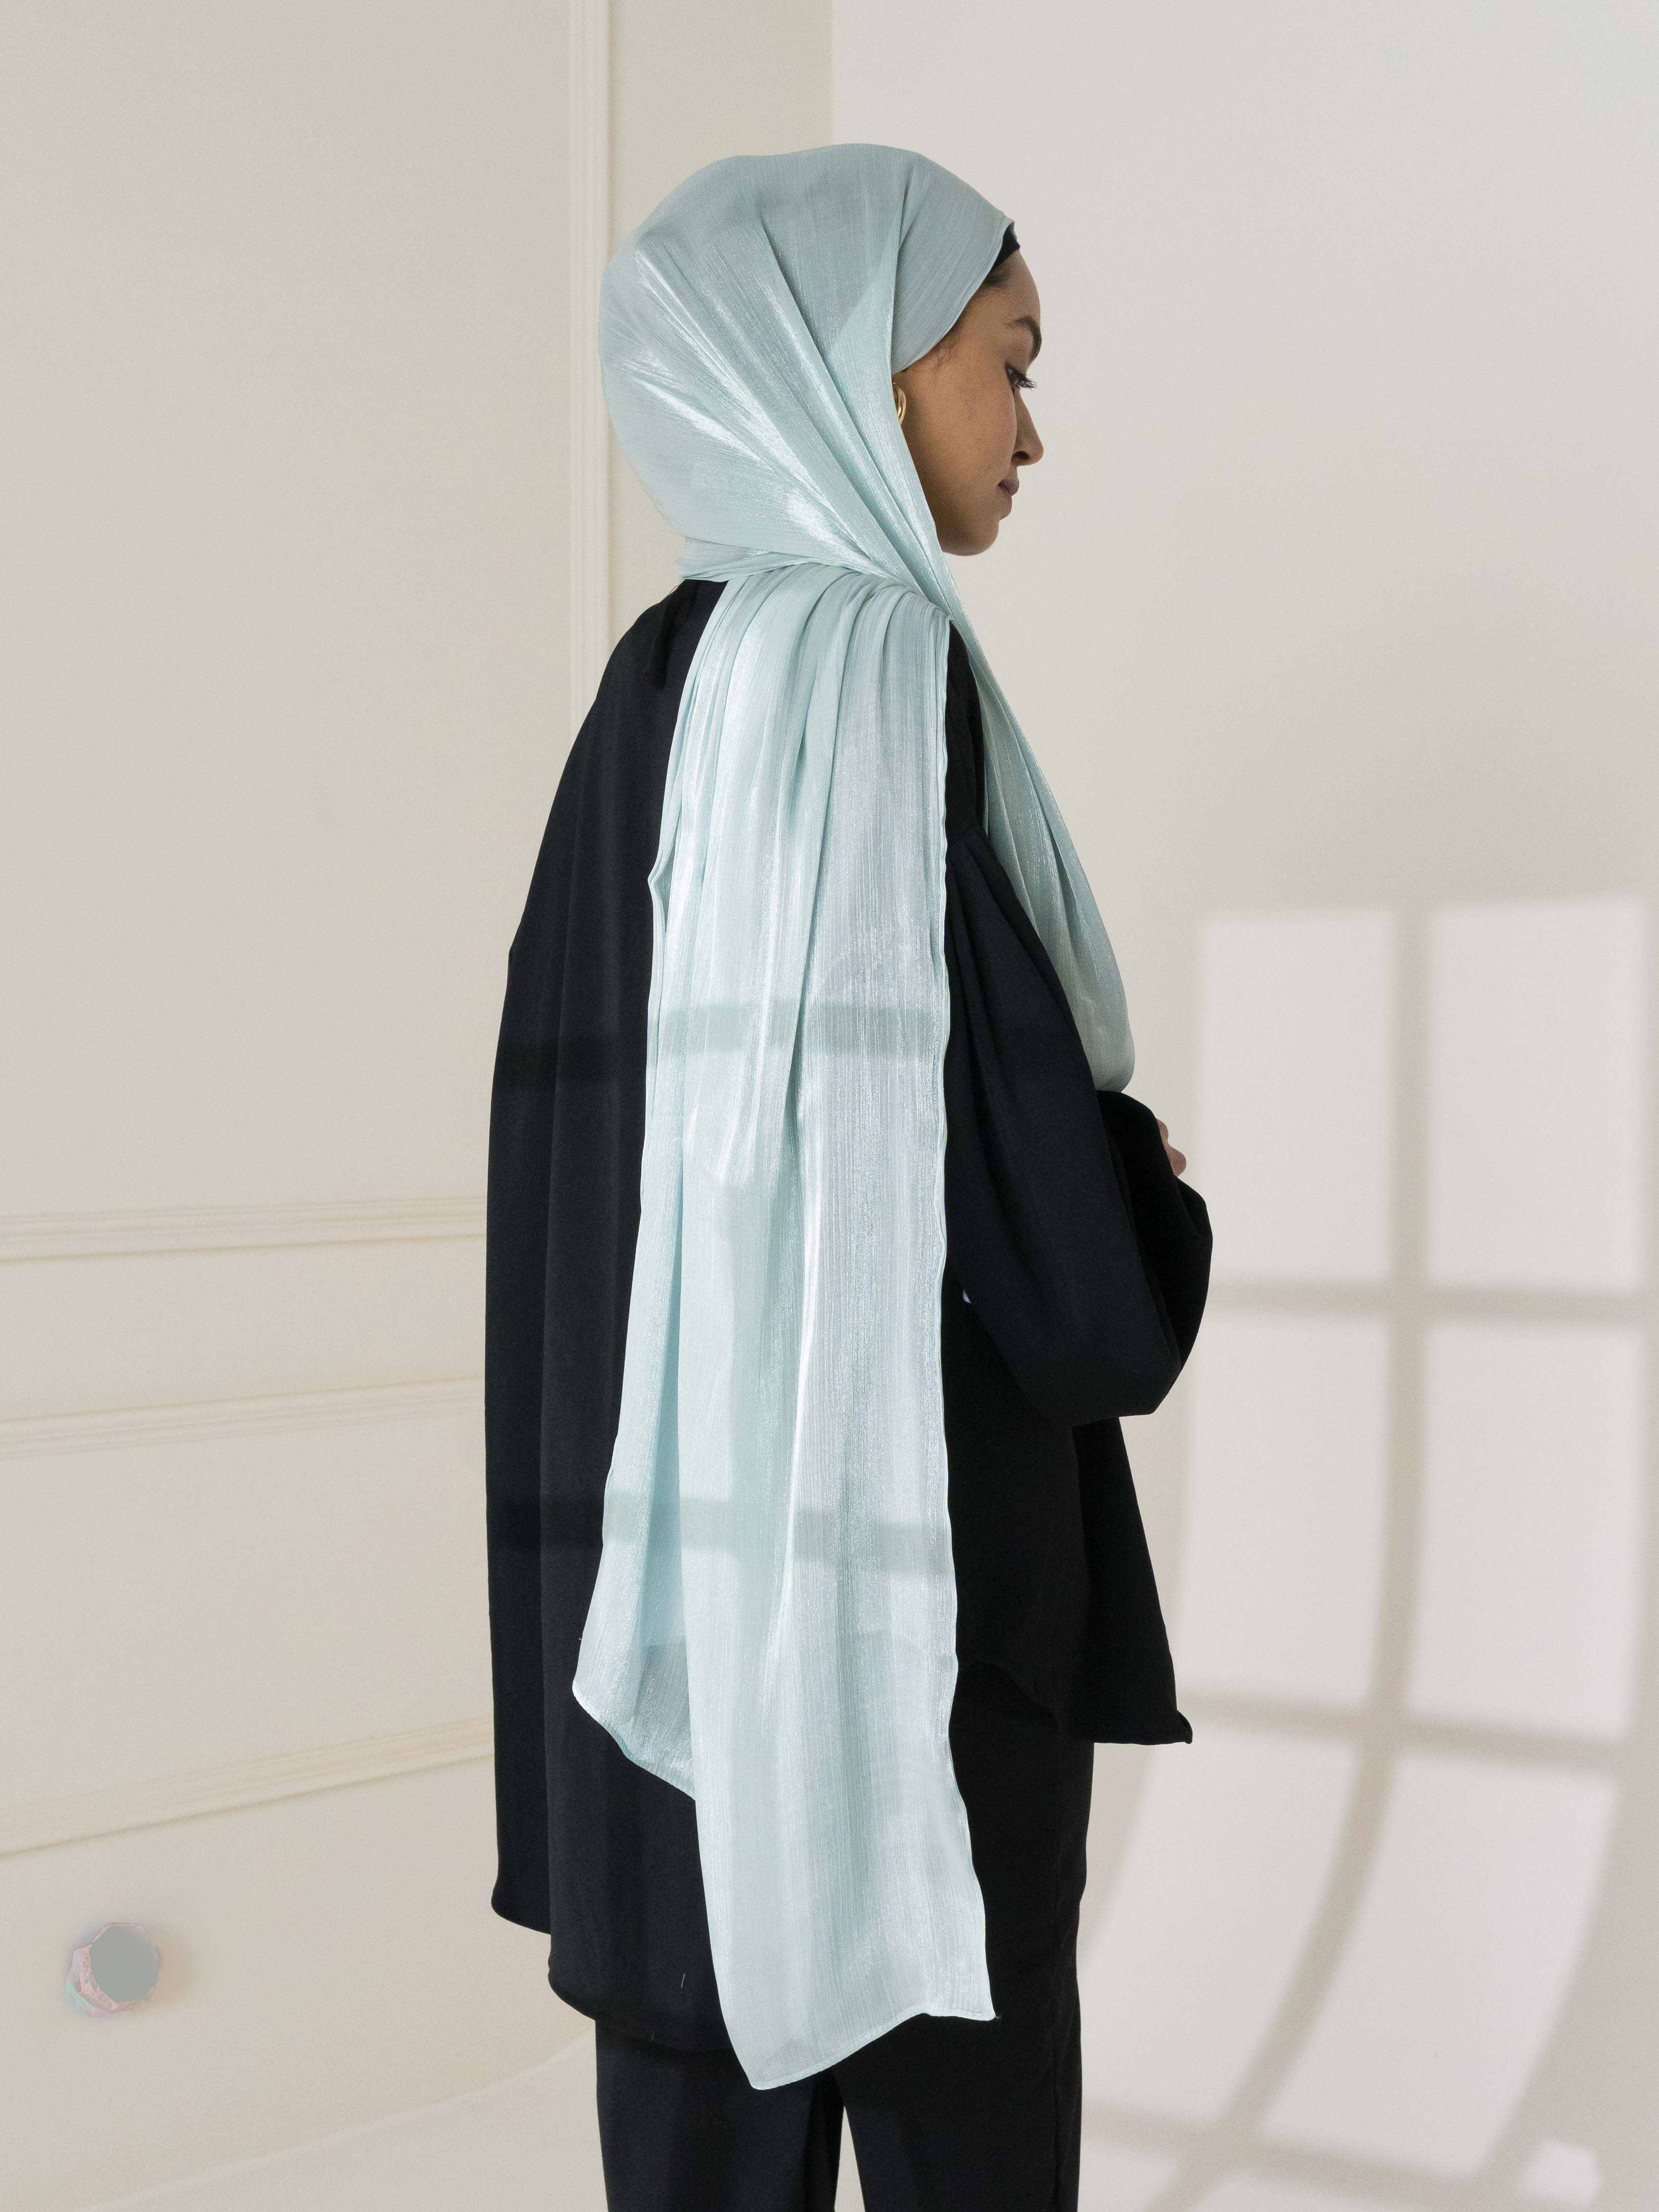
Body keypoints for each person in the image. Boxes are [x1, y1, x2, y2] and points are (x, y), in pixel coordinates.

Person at [484, 145, 1211, 2210]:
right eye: (1010, 363)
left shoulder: (645, 695)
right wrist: (1146, 1186)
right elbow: (1075, 1302)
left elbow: (576, 1210)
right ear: (863, 372)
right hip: (917, 1648)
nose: (1031, 432)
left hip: (660, 1627)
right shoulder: (886, 688)